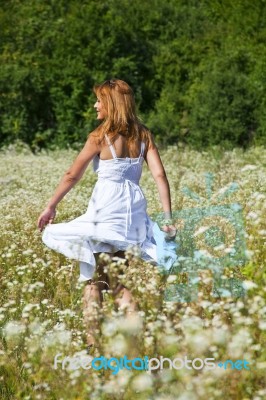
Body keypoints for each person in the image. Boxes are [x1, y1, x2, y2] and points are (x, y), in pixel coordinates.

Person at [37, 78, 177, 350]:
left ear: (111, 103)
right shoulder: (143, 135)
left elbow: (71, 175)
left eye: (99, 100)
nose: (95, 105)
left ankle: (93, 345)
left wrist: (51, 206)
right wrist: (168, 218)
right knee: (115, 279)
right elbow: (159, 175)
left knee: (97, 282)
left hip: (106, 210)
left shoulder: (99, 137)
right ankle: (136, 340)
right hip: (131, 213)